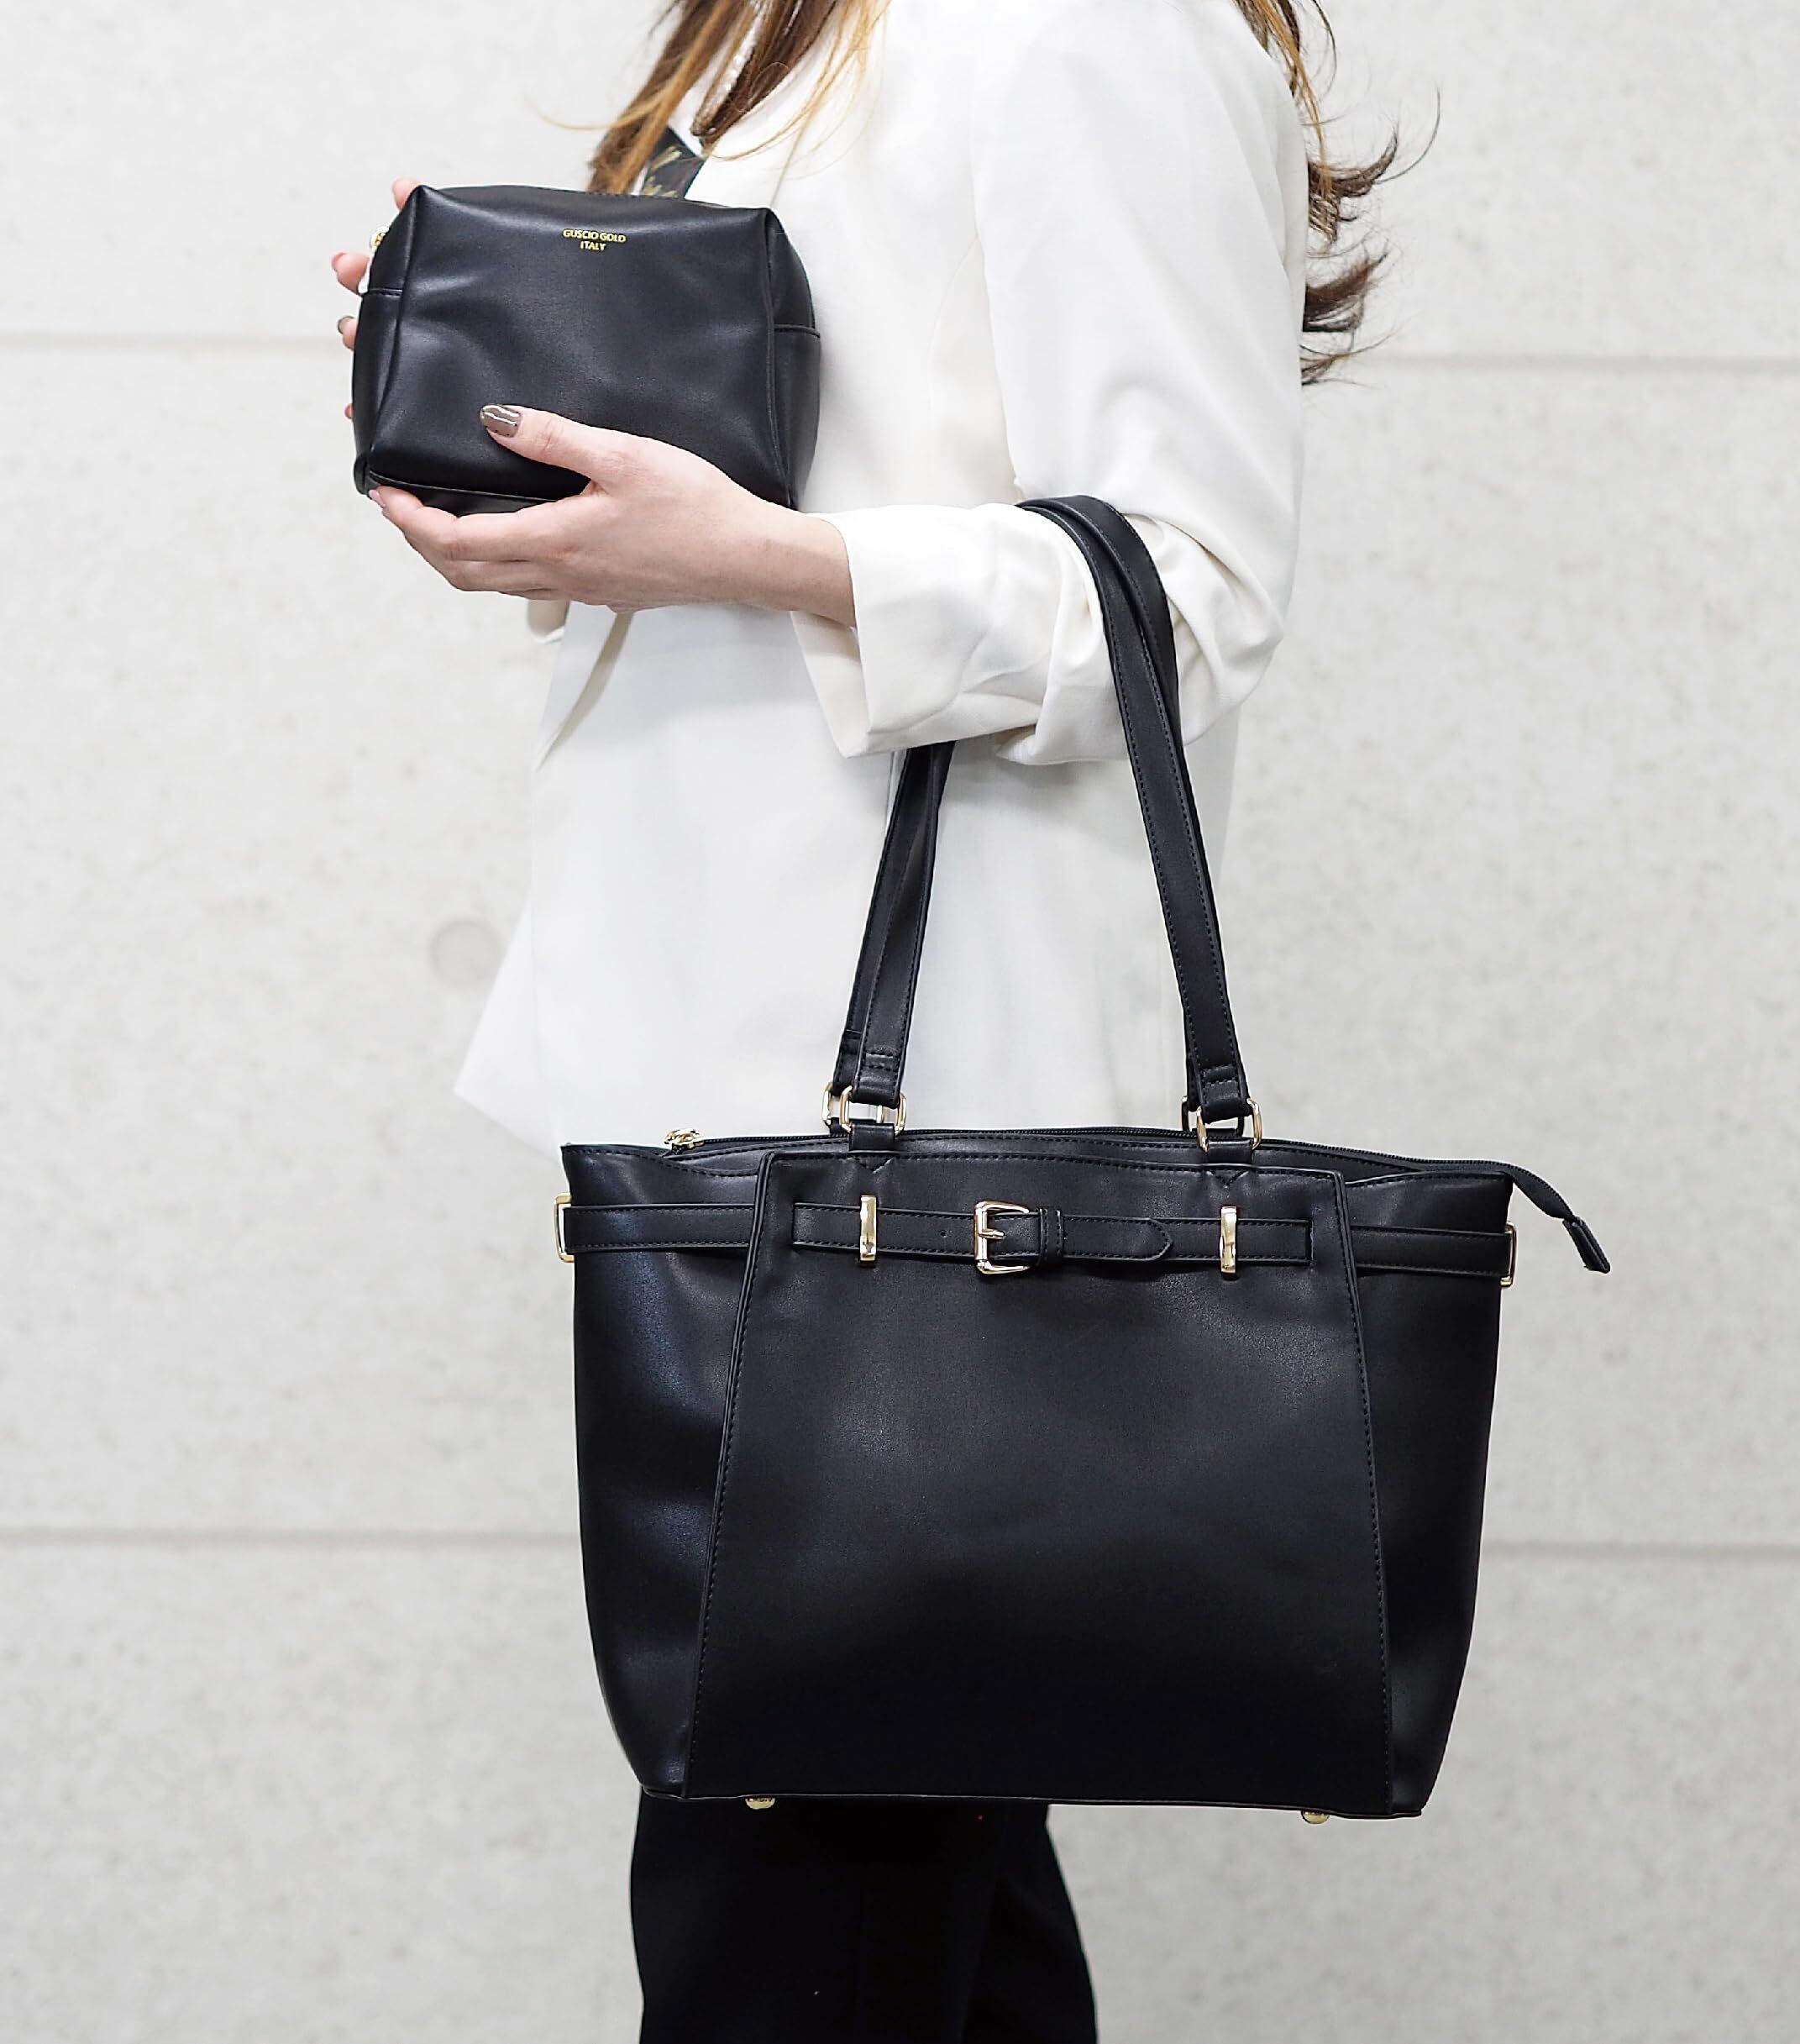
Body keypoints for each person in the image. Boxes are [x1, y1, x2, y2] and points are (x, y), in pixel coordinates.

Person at [332, 1, 1398, 2034]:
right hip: (739, 1089)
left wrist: (757, 556)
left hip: (911, 1142)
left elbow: (1181, 595)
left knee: (799, 1880)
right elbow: (821, 455)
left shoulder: (1091, 36)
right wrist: (523, 395)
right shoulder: (806, 28)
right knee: (899, 1873)